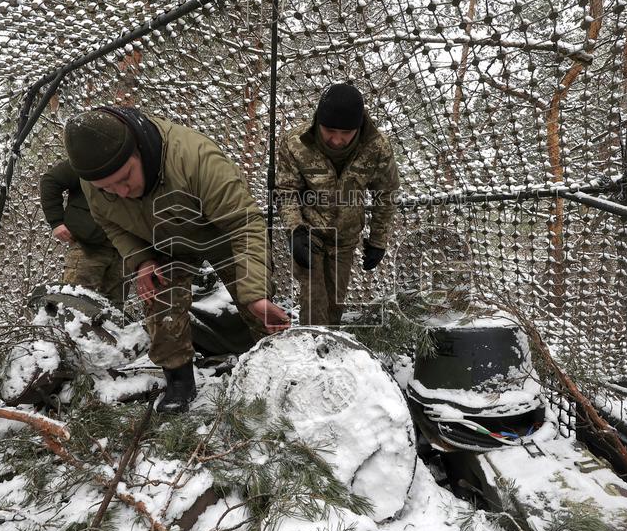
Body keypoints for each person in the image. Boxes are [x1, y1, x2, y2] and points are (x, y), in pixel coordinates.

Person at [63, 105, 290, 413]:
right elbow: (112, 225)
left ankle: (280, 366)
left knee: (255, 303)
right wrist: (142, 260)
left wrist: (256, 294)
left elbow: (244, 224)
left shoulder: (196, 159)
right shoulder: (93, 184)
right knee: (158, 296)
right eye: (109, 188)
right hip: (163, 243)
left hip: (219, 232)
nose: (122, 191)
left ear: (139, 149)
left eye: (126, 177)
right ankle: (179, 381)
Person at [275, 83, 400, 326]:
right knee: (315, 303)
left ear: (358, 127)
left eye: (346, 132)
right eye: (329, 130)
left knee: (334, 306)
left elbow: (386, 194)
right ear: (318, 122)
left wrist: (378, 240)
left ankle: (328, 345)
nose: (337, 139)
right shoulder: (295, 142)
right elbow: (286, 191)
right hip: (309, 234)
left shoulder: (377, 146)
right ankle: (312, 345)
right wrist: (295, 230)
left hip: (344, 239)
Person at [40, 158, 125, 305]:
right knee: (73, 303)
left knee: (115, 309)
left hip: (123, 249)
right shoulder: (91, 157)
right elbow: (51, 180)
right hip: (87, 245)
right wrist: (56, 222)